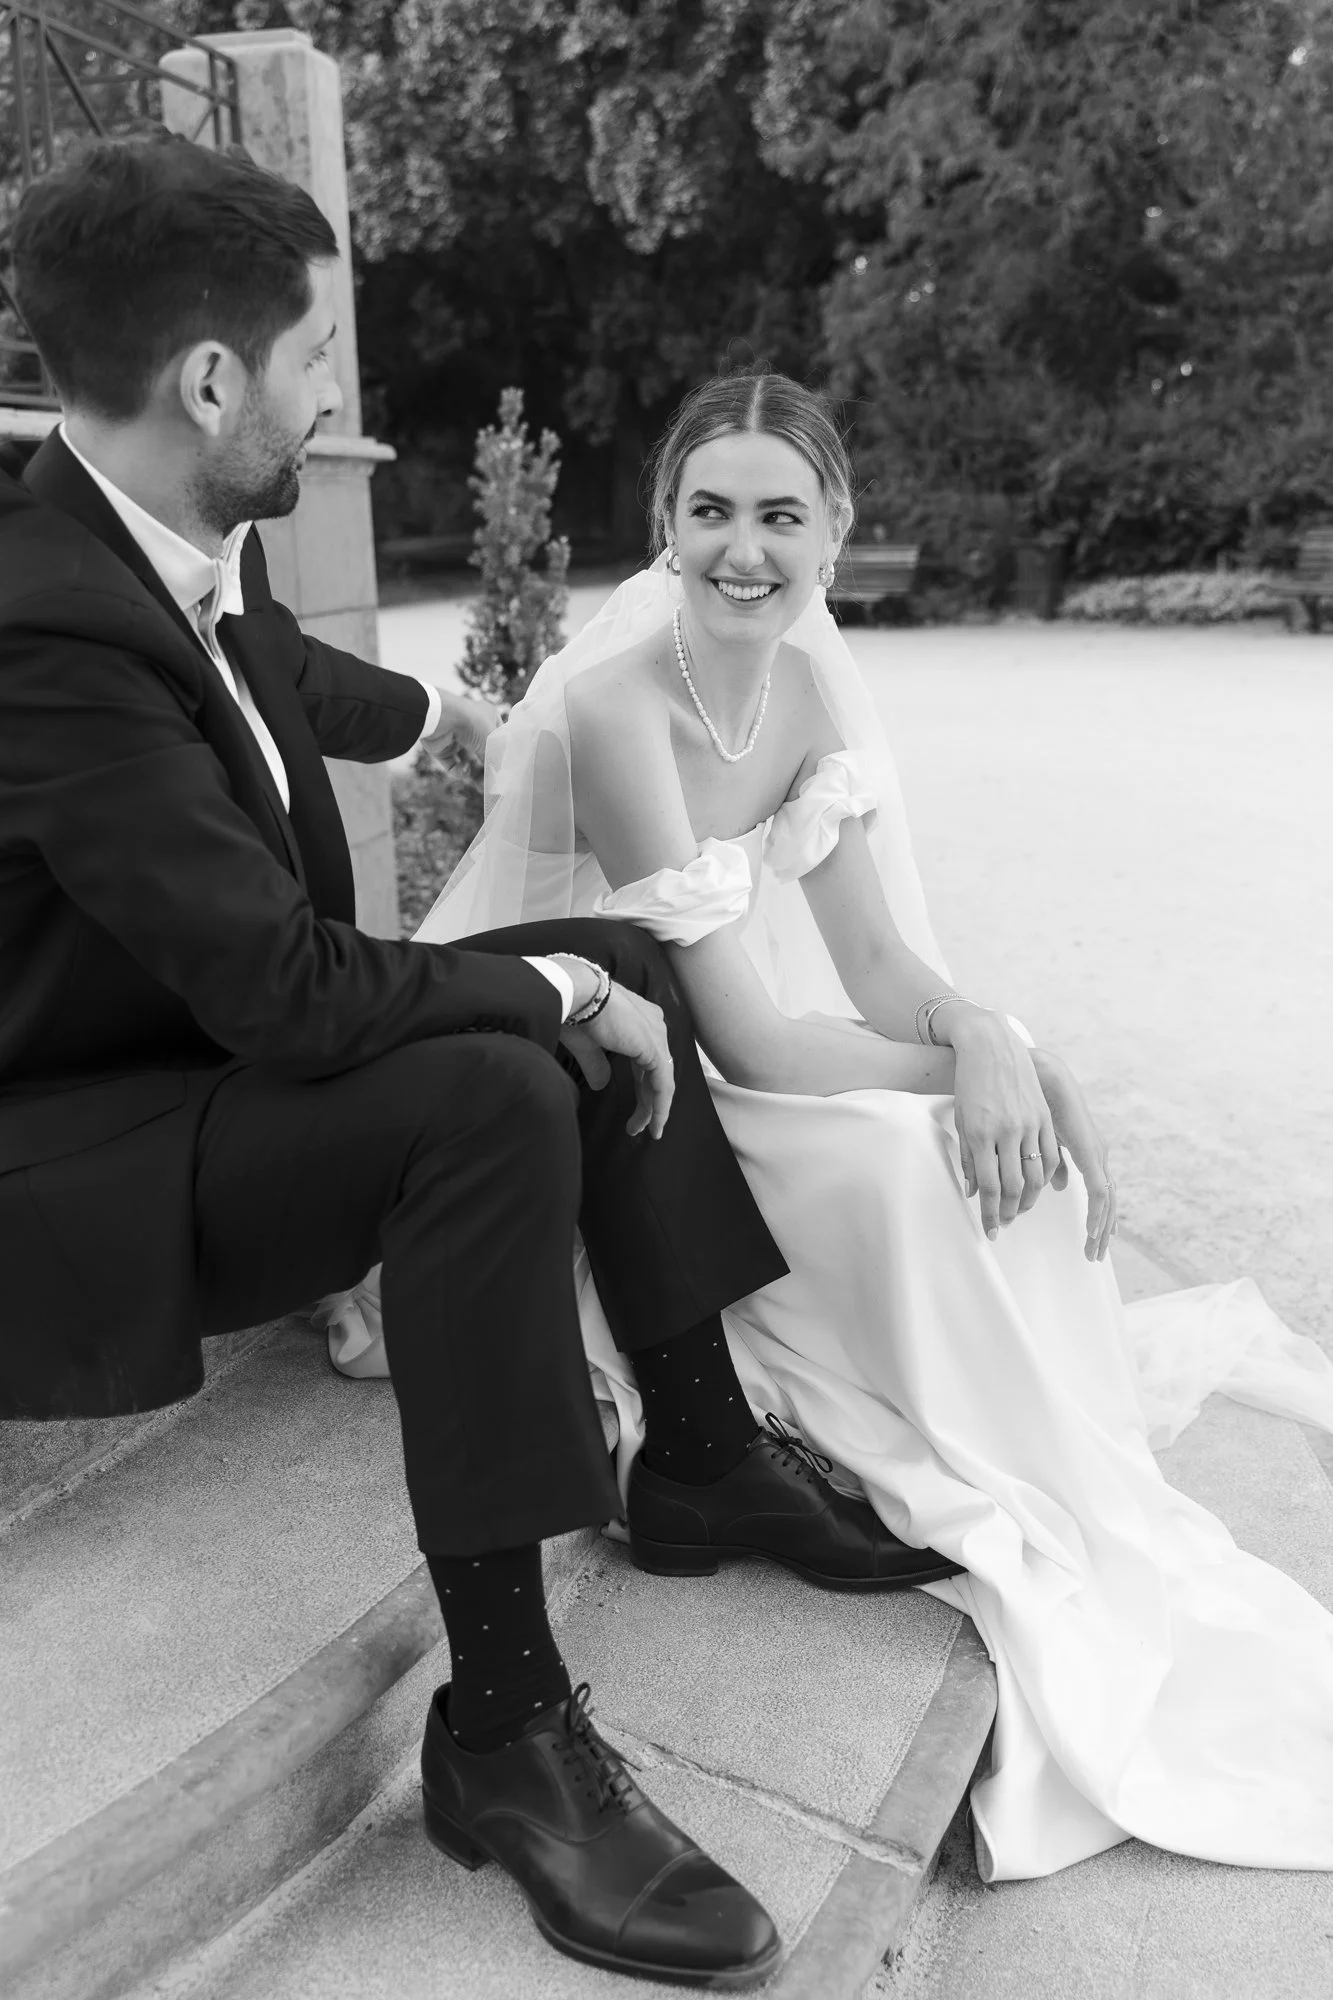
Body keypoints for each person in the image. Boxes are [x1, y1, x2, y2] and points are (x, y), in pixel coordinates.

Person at [0, 143, 961, 1989]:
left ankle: (693, 1455)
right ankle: (504, 1733)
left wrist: (449, 706)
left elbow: (266, 675)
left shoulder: (162, 535)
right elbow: (289, 991)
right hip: (76, 1153)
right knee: (501, 1071)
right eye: (312, 360)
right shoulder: (39, 625)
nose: (329, 396)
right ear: (214, 383)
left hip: (202, 1067)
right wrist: (558, 1012)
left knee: (610, 951)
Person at [415, 369, 1333, 1884]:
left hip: (756, 1050)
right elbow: (753, 1036)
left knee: (984, 1143)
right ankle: (914, 1443)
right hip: (650, 1095)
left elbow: (880, 972)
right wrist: (981, 1074)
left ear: (836, 532)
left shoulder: (816, 690)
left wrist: (994, 1039)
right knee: (927, 1158)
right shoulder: (614, 707)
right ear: (663, 525)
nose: (743, 549)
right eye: (710, 511)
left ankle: (1046, 1461)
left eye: (782, 514)